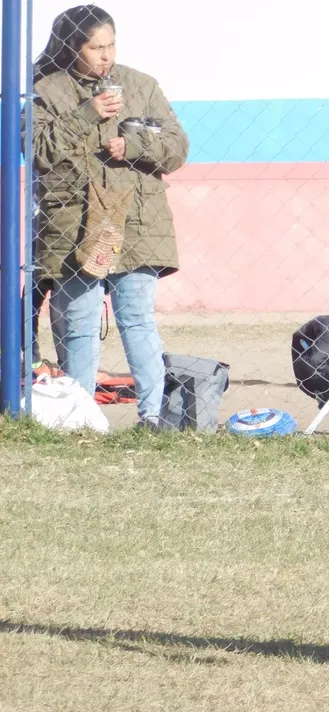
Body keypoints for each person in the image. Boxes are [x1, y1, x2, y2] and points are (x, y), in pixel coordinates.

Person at [30, 5, 188, 426]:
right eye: (95, 47)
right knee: (78, 322)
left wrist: (135, 148)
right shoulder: (46, 89)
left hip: (136, 219)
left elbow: (177, 149)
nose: (106, 56)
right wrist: (88, 114)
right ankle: (80, 416)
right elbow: (39, 152)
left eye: (111, 44)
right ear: (70, 46)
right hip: (75, 221)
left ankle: (154, 418)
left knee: (136, 317)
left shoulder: (141, 84)